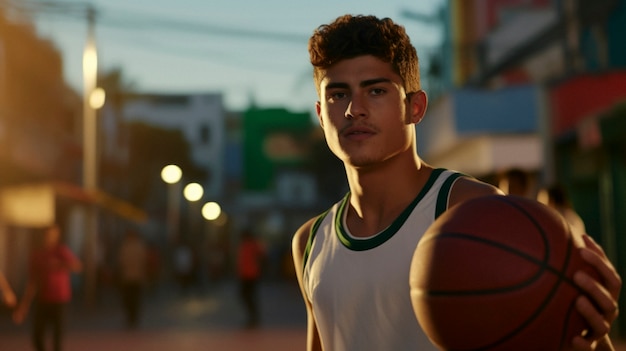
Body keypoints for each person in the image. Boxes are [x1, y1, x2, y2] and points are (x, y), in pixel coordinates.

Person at [291, 14, 621, 351]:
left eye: (375, 91)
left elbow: (559, 331)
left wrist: (593, 337)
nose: (353, 110)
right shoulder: (309, 241)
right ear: (320, 114)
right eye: (337, 95)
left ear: (415, 107)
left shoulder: (473, 210)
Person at [13, 223, 82, 351]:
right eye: (47, 234)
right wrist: (24, 307)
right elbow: (32, 282)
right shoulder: (37, 255)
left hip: (60, 300)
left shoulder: (61, 251)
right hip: (43, 299)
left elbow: (77, 266)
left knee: (58, 337)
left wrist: (61, 264)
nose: (49, 237)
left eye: (53, 234)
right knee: (37, 336)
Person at [117, 230, 147, 329]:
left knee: (128, 298)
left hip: (127, 277)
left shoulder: (124, 247)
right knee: (136, 298)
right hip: (137, 277)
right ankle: (134, 317)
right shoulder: (140, 246)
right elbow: (144, 261)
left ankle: (130, 317)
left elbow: (121, 262)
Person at [236, 228, 266, 328]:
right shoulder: (249, 244)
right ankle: (252, 317)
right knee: (247, 296)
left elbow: (262, 254)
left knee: (247, 296)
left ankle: (253, 317)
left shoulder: (251, 244)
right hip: (247, 274)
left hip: (250, 274)